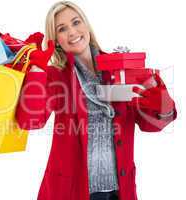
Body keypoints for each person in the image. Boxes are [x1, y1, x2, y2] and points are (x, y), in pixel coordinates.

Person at [15, 1, 177, 200]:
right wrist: (37, 69)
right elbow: (30, 121)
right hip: (72, 191)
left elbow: (150, 124)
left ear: (86, 25)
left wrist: (162, 103)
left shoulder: (121, 67)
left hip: (119, 191)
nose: (72, 32)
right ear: (56, 40)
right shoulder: (56, 77)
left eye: (76, 22)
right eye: (62, 29)